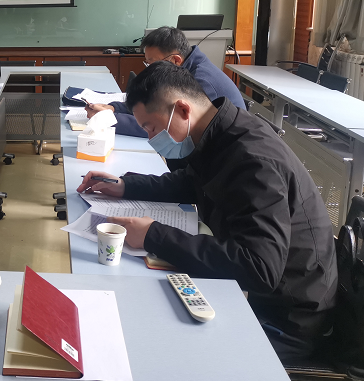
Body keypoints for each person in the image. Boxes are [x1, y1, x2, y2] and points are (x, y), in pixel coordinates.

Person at [77, 62, 337, 362]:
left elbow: (259, 269)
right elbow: (191, 182)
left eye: (151, 127)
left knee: (156, 349)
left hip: (287, 320)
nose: (150, 138)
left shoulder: (253, 160)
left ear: (182, 110)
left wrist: (153, 236)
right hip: (265, 296)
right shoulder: (221, 132)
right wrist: (125, 186)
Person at [86, 26, 246, 138]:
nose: (150, 69)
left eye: (153, 63)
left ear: (175, 60)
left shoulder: (201, 82)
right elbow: (152, 104)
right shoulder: (179, 71)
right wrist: (115, 108)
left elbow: (163, 127)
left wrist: (107, 119)